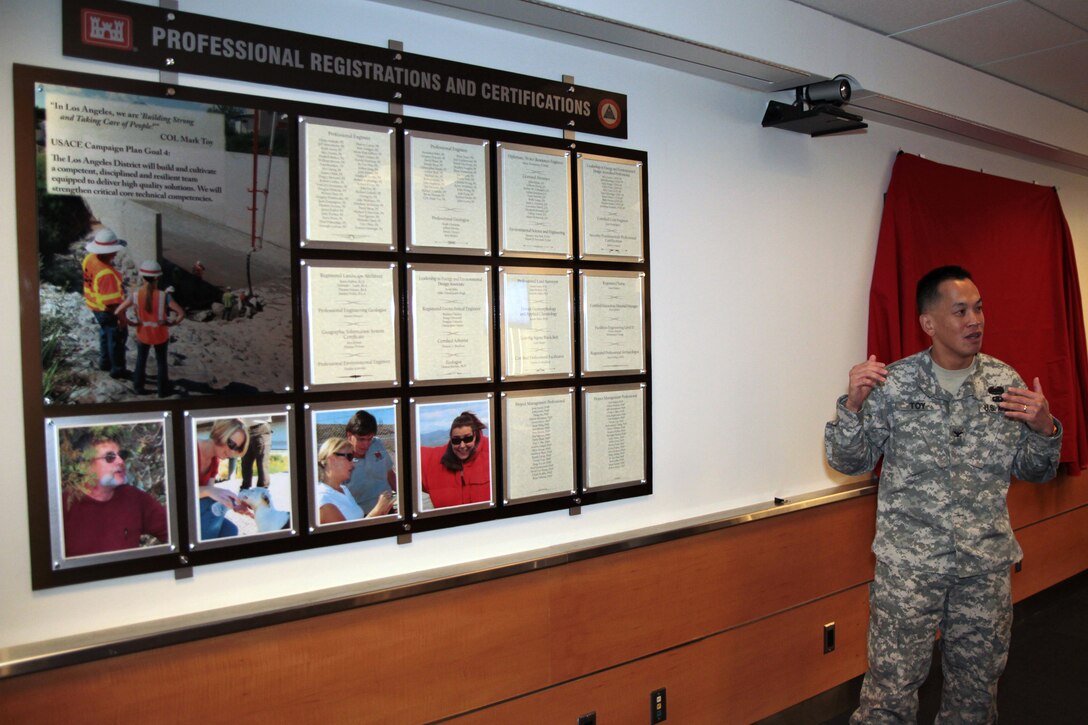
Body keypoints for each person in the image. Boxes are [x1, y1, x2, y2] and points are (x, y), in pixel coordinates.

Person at [824, 265, 1062, 723]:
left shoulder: (1002, 381)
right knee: (888, 694)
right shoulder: (893, 385)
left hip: (983, 568)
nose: (975, 320)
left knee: (975, 695)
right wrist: (852, 405)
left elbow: (1035, 471)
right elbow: (849, 462)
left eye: (979, 308)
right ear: (928, 323)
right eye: (960, 311)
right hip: (910, 569)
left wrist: (1044, 428)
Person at [61, 434, 168, 557]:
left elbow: (178, 534)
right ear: (83, 466)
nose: (121, 461)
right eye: (110, 457)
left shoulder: (134, 498)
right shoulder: (63, 506)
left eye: (121, 455)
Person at [115, 260, 185, 397]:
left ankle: (138, 387)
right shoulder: (164, 296)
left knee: (141, 361)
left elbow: (118, 312)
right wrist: (171, 323)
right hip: (160, 334)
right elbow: (181, 313)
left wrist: (128, 322)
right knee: (161, 363)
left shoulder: (135, 295)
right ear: (158, 277)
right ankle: (162, 391)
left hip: (143, 334)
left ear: (142, 276)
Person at [81, 228, 128, 378]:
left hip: (94, 306)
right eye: (113, 251)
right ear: (107, 251)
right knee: (116, 338)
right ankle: (117, 370)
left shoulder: (89, 259)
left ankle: (104, 362)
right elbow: (112, 303)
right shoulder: (107, 274)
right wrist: (122, 319)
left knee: (104, 333)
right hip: (106, 310)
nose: (116, 253)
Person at [419, 411, 491, 508]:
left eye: (467, 439)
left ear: (475, 436)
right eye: (456, 440)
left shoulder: (491, 453)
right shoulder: (436, 460)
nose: (462, 446)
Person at [196, 418, 253, 539]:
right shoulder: (190, 449)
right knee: (213, 505)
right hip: (175, 515)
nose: (233, 452)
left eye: (237, 448)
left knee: (231, 530)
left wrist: (235, 504)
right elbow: (174, 496)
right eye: (231, 444)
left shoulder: (214, 461)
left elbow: (207, 495)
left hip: (194, 509)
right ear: (220, 433)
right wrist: (208, 491)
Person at [316, 437, 395, 524]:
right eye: (349, 457)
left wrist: (382, 510)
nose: (353, 464)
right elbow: (349, 535)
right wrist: (377, 511)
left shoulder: (343, 490)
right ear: (331, 460)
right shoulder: (324, 500)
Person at [344, 409, 396, 515]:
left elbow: (389, 473)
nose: (366, 444)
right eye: (361, 439)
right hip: (361, 516)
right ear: (349, 436)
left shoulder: (377, 444)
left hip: (388, 510)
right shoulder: (340, 458)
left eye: (369, 439)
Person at [239, 417, 273, 490]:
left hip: (261, 428)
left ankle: (262, 491)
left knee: (262, 462)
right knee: (245, 462)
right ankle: (245, 490)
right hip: (247, 430)